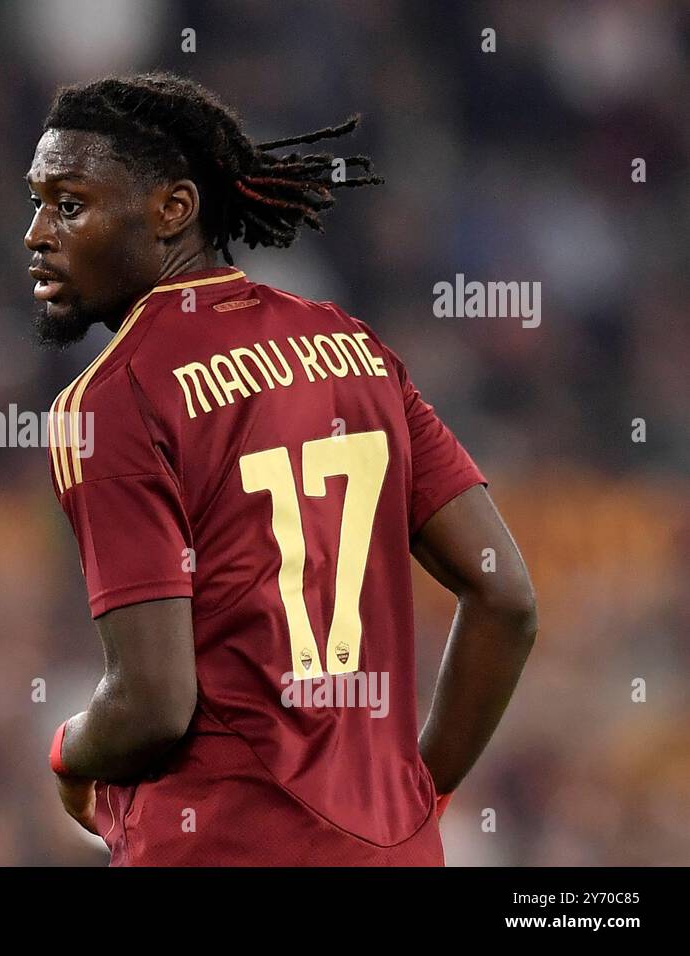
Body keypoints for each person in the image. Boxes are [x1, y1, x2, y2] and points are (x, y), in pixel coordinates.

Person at [26, 72, 537, 865]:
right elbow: (505, 597)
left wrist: (67, 754)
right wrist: (417, 793)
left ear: (172, 210)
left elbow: (153, 705)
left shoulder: (111, 399)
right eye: (37, 201)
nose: (36, 232)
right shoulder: (354, 348)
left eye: (68, 203)